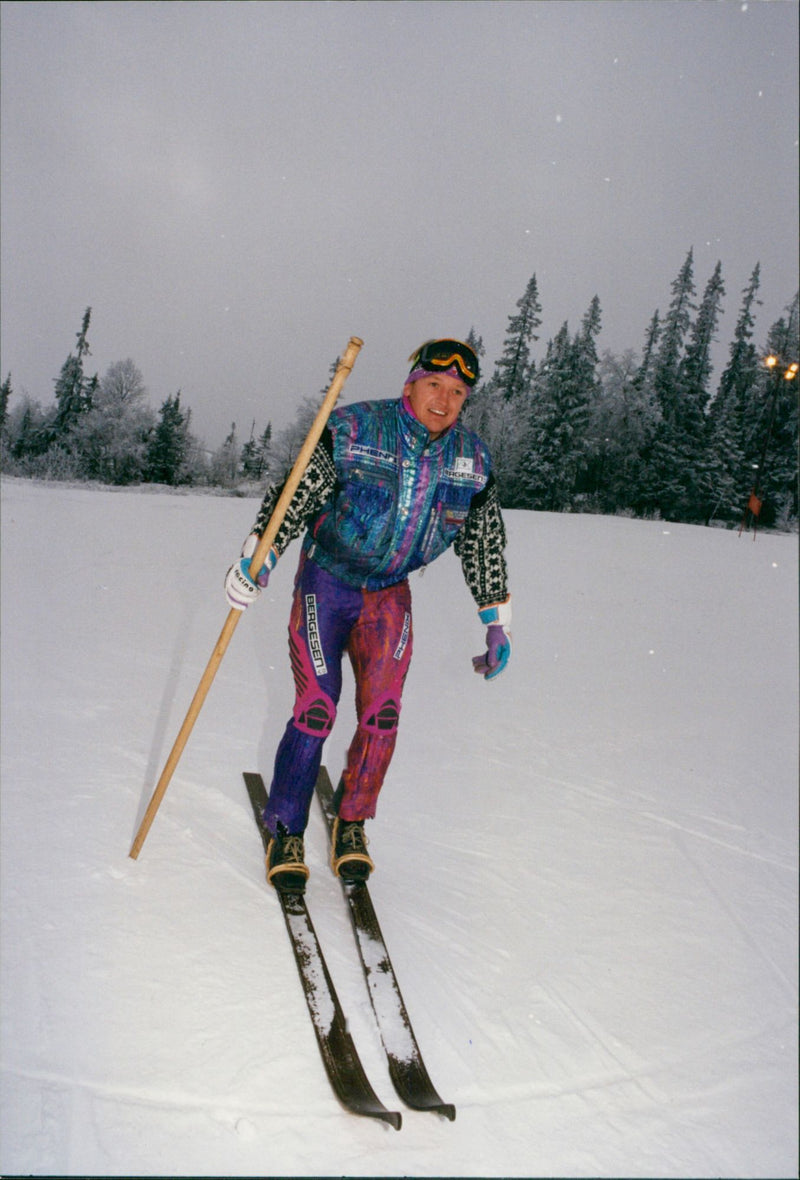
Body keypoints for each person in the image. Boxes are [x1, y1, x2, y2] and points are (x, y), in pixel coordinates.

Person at [225, 338, 511, 892]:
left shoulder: (470, 463)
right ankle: (286, 825)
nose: (444, 400)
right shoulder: (355, 430)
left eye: (457, 393)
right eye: (434, 385)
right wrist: (257, 558)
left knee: (382, 712)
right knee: (316, 707)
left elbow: (485, 541)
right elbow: (294, 495)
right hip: (326, 581)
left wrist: (496, 619)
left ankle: (352, 821)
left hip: (388, 594)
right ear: (411, 386)